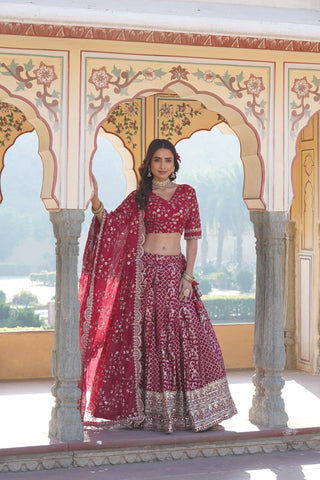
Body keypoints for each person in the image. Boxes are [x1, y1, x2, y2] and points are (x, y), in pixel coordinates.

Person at [78, 138, 237, 433]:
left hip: (177, 274)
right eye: (157, 160)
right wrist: (96, 200)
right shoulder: (141, 197)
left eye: (168, 160)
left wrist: (188, 276)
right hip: (146, 275)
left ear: (175, 163)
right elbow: (110, 224)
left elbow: (192, 237)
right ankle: (151, 413)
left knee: (190, 337)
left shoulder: (187, 194)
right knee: (148, 339)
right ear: (149, 165)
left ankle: (197, 412)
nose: (163, 166)